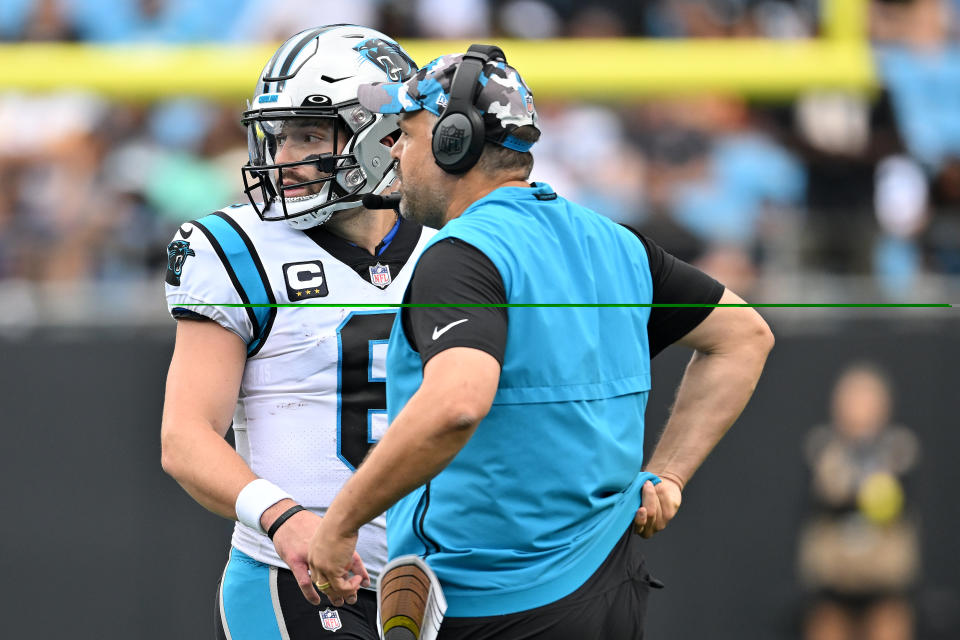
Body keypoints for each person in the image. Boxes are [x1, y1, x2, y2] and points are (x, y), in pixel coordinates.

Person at [306, 45, 774, 638]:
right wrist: (670, 476)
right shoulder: (616, 242)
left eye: (406, 132)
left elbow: (455, 404)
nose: (393, 150)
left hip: (496, 602)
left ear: (454, 141)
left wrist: (340, 522)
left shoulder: (462, 256)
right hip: (612, 584)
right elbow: (745, 335)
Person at [159, 25, 433, 640]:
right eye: (279, 137)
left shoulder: (460, 243)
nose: (281, 159)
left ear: (383, 137)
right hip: (302, 578)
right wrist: (285, 520)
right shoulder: (233, 248)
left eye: (308, 134)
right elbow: (184, 437)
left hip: (449, 580)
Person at [798, 364, 920, 640]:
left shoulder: (900, 448)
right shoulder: (821, 448)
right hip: (833, 582)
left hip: (884, 582)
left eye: (867, 400)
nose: (859, 408)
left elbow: (899, 502)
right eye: (852, 399)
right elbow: (821, 498)